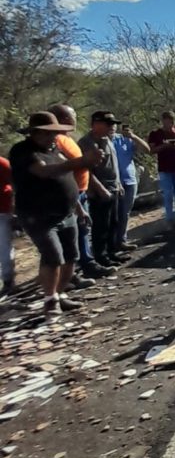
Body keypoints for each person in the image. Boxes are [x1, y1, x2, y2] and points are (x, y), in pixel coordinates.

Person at [8, 112, 101, 316]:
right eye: (48, 133)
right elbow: (45, 171)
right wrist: (82, 161)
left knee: (70, 256)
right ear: (34, 132)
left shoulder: (55, 148)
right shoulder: (23, 151)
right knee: (52, 256)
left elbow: (66, 180)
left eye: (55, 133)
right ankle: (50, 300)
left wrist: (79, 208)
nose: (52, 137)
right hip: (38, 214)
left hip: (66, 212)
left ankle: (60, 295)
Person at [51, 104, 110, 283]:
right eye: (73, 114)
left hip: (81, 192)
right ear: (64, 119)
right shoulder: (58, 140)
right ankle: (68, 276)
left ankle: (85, 264)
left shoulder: (69, 138)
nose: (75, 118)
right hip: (69, 195)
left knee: (82, 230)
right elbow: (64, 168)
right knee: (69, 235)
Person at [79, 111, 126, 267]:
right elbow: (87, 171)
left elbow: (114, 164)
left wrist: (118, 184)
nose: (111, 127)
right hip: (100, 191)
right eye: (108, 124)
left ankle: (112, 252)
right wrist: (100, 189)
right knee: (101, 225)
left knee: (114, 222)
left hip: (113, 188)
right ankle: (101, 256)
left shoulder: (108, 140)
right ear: (96, 124)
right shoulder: (87, 143)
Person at [148, 111, 175, 229]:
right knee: (168, 194)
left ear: (173, 121)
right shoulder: (155, 134)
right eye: (166, 121)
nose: (168, 124)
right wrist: (164, 146)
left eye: (170, 121)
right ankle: (169, 220)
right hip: (164, 168)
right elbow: (151, 150)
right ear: (162, 121)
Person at [113, 120, 151, 249]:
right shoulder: (106, 141)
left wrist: (133, 136)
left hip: (130, 180)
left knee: (125, 212)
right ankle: (112, 242)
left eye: (114, 124)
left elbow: (147, 149)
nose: (113, 127)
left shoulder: (125, 140)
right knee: (114, 213)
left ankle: (121, 241)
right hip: (115, 181)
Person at [0, 155, 14, 297]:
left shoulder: (2, 163)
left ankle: (8, 281)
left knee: (4, 247)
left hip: (3, 210)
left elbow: (16, 183)